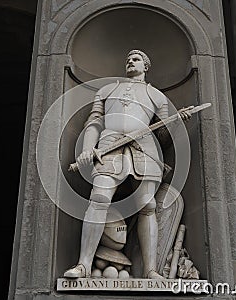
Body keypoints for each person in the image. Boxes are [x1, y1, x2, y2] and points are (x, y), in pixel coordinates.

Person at [64, 50, 190, 279]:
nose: (131, 62)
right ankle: (83, 264)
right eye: (128, 59)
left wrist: (174, 122)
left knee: (148, 206)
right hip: (108, 146)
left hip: (145, 149)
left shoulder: (157, 96)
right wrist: (86, 149)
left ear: (146, 66)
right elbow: (94, 122)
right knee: (99, 199)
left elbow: (161, 136)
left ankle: (151, 270)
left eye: (136, 59)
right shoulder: (107, 89)